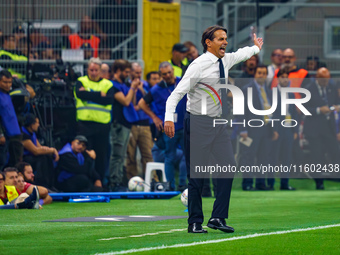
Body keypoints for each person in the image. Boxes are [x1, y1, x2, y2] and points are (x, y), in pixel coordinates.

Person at [164, 25, 263, 233]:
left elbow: (240, 54)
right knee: (197, 175)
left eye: (226, 38)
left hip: (218, 124)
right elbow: (176, 94)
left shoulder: (224, 60)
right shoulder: (197, 66)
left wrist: (255, 48)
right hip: (198, 123)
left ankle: (217, 217)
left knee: (228, 165)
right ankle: (194, 222)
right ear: (208, 42)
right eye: (220, 39)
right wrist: (169, 119)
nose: (225, 42)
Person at [139, 62, 186, 191]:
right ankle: (170, 186)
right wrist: (154, 118)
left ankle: (184, 184)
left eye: (169, 72)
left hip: (184, 124)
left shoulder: (182, 82)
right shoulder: (156, 89)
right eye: (164, 74)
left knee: (188, 156)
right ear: (161, 75)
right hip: (168, 127)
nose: (168, 75)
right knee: (169, 156)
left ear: (173, 71)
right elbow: (142, 103)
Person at [238, 64, 279, 191]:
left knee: (264, 157)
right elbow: (240, 110)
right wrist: (242, 129)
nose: (261, 75)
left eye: (264, 73)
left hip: (266, 128)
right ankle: (247, 183)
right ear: (255, 74)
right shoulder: (246, 89)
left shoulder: (268, 90)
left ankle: (261, 183)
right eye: (259, 73)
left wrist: (274, 129)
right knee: (249, 156)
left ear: (266, 75)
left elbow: (270, 110)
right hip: (251, 128)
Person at [74, 57, 113, 182]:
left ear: (101, 71)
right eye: (91, 70)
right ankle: (86, 181)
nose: (94, 72)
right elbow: (80, 95)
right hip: (85, 126)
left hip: (102, 127)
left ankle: (100, 182)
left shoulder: (108, 84)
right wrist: (99, 95)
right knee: (85, 154)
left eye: (96, 70)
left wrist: (89, 94)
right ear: (87, 70)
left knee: (101, 156)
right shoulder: (81, 81)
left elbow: (109, 100)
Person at [303, 67, 340, 190]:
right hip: (314, 129)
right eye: (323, 80)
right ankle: (319, 183)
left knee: (335, 153)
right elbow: (304, 109)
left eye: (327, 80)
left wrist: (335, 108)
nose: (326, 82)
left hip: (329, 128)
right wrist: (319, 110)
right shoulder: (309, 89)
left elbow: (336, 104)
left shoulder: (331, 88)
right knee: (317, 157)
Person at [108, 59, 139, 191]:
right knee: (117, 154)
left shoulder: (125, 85)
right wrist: (132, 87)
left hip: (126, 123)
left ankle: (119, 180)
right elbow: (126, 101)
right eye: (125, 72)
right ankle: (113, 182)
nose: (128, 74)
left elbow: (132, 101)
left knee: (122, 155)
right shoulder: (112, 85)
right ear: (117, 71)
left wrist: (134, 89)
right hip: (118, 124)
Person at [268, 65, 298, 190]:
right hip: (277, 129)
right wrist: (273, 130)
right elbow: (271, 113)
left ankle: (284, 184)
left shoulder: (291, 94)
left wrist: (295, 130)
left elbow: (294, 113)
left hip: (288, 128)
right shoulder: (272, 93)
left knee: (286, 158)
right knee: (273, 157)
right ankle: (270, 184)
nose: (285, 80)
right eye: (282, 77)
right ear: (278, 79)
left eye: (287, 77)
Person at [126, 62, 154, 180]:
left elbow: (150, 99)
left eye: (140, 72)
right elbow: (130, 104)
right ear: (131, 72)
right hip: (131, 124)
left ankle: (152, 180)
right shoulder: (127, 85)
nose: (138, 75)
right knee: (130, 155)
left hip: (145, 124)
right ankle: (132, 180)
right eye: (136, 72)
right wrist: (134, 89)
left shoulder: (146, 85)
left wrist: (141, 89)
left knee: (148, 154)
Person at [21, 113, 58, 189]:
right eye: (37, 123)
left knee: (48, 157)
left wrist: (51, 151)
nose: (38, 125)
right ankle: (42, 184)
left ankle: (51, 185)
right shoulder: (23, 134)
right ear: (31, 124)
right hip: (25, 157)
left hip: (33, 156)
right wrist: (53, 150)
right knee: (42, 159)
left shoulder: (33, 133)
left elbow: (40, 147)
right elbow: (35, 151)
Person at [0, 69, 23, 167]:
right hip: (6, 134)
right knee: (4, 162)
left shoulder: (10, 93)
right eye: (5, 82)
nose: (8, 85)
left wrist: (18, 82)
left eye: (10, 82)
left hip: (15, 133)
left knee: (17, 161)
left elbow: (30, 93)